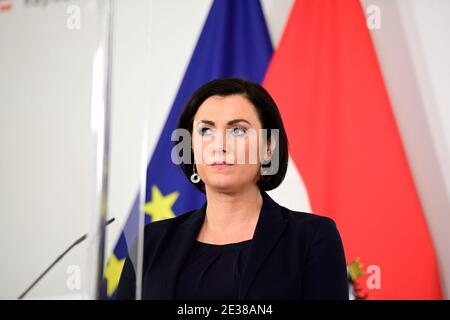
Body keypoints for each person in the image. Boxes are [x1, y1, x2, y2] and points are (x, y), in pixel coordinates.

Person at [116, 78, 349, 300]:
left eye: (238, 130)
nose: (220, 145)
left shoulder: (313, 238)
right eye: (206, 131)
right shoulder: (151, 242)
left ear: (268, 148)